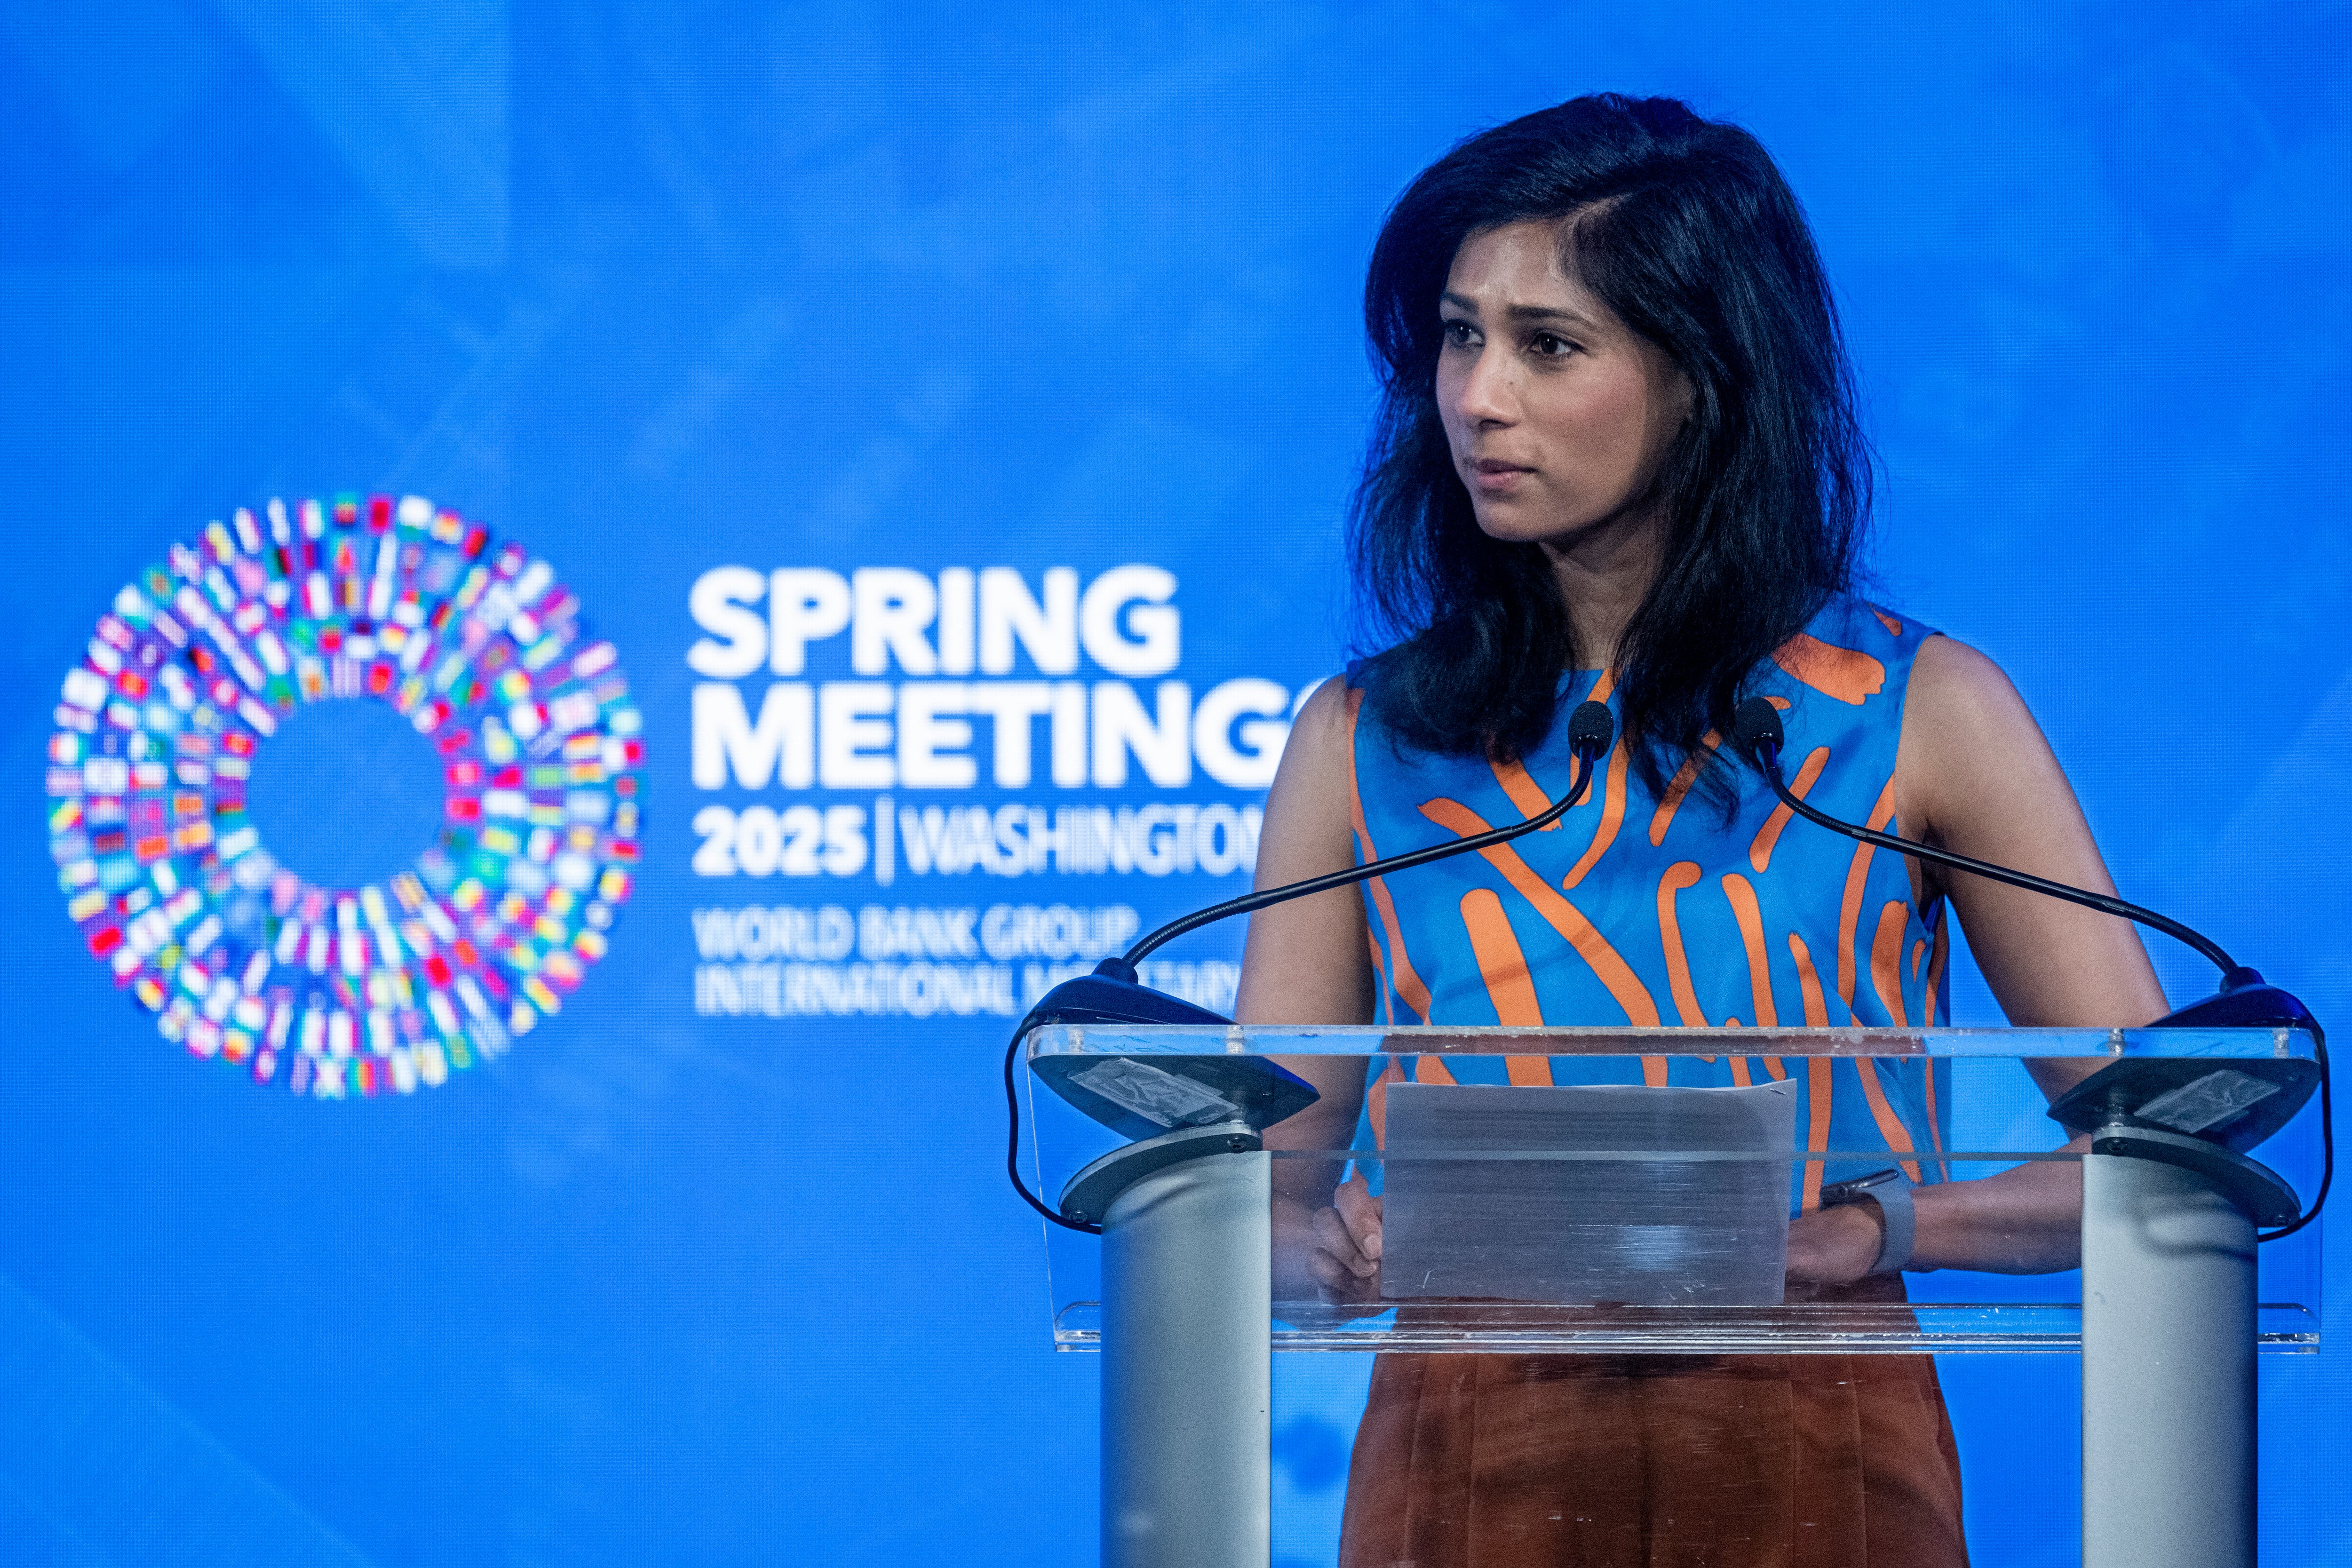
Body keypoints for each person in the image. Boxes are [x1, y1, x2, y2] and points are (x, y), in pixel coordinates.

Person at [1240, 95, 2168, 1568]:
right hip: (1469, 1440)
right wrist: (1319, 1241)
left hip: (1819, 1423)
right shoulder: (1364, 741)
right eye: (1460, 334)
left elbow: (2163, 1156)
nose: (1477, 395)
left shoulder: (1915, 712)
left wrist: (1882, 1232)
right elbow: (1273, 1198)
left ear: (1706, 382)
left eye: (1549, 346)